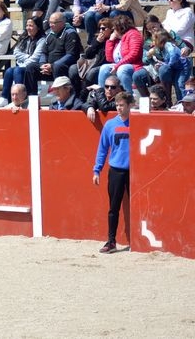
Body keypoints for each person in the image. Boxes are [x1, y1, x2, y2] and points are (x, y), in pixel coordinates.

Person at [92, 91, 134, 254]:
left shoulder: (138, 122)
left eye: (122, 105)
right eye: (117, 105)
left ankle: (138, 240)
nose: (119, 108)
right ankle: (111, 241)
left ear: (131, 105)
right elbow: (102, 148)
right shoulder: (110, 125)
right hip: (116, 170)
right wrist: (97, 170)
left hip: (134, 172)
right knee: (113, 208)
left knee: (136, 207)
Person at [24, 12, 81, 97]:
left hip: (63, 68)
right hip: (49, 68)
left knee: (58, 66)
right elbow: (44, 53)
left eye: (53, 23)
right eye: (49, 22)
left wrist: (53, 66)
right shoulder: (50, 35)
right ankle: (32, 99)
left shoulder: (70, 34)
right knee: (31, 67)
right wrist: (43, 64)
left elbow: (71, 55)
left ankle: (60, 98)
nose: (50, 25)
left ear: (62, 23)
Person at [0, 17, 46, 107]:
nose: (28, 28)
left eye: (31, 25)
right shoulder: (24, 38)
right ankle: (4, 98)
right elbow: (16, 52)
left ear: (38, 27)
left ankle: (21, 98)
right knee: (9, 71)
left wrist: (23, 62)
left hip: (35, 68)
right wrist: (27, 56)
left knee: (17, 70)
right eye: (27, 25)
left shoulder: (41, 40)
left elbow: (35, 58)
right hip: (23, 65)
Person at [97, 15, 143, 94]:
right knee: (104, 68)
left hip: (134, 65)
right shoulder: (117, 38)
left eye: (114, 28)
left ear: (120, 27)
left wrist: (117, 66)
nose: (113, 30)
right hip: (119, 65)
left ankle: (129, 96)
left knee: (122, 69)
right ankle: (101, 97)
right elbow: (109, 59)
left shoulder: (134, 34)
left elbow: (134, 54)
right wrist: (110, 41)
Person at [69, 17, 110, 101]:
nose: (101, 31)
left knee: (91, 73)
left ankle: (82, 98)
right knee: (73, 69)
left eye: (103, 28)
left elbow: (107, 57)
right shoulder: (96, 39)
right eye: (99, 28)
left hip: (102, 65)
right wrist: (97, 42)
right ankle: (76, 95)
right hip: (91, 64)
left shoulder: (111, 40)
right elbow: (87, 54)